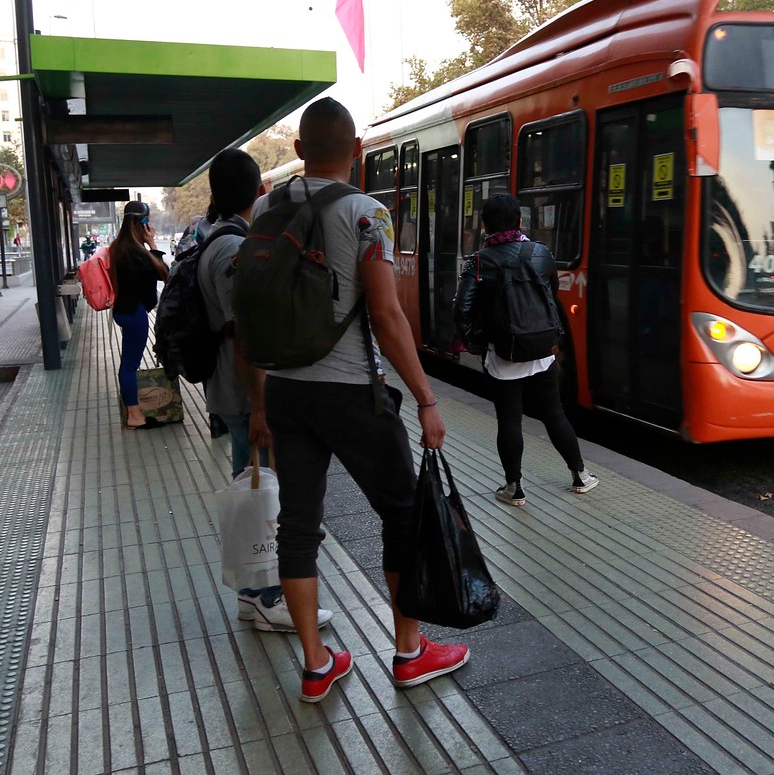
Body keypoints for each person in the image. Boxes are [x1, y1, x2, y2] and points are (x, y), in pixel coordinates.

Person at [249, 97, 468, 702]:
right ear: (357, 151)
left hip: (287, 390)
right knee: (402, 514)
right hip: (352, 394)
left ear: (297, 152)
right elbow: (386, 314)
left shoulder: (269, 206)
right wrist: (425, 398)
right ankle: (409, 651)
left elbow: (255, 309)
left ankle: (317, 666)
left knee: (298, 526)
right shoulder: (369, 214)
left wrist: (259, 401)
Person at [197, 148, 332, 634]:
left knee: (253, 487)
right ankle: (269, 596)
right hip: (244, 394)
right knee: (266, 494)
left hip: (232, 391)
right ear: (259, 192)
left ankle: (252, 594)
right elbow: (244, 334)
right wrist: (260, 406)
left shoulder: (217, 238)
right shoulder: (233, 249)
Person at [453, 192, 598, 507]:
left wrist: (477, 343)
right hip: (542, 348)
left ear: (484, 224)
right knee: (553, 413)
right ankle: (580, 475)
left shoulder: (480, 261)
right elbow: (551, 293)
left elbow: (462, 309)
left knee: (509, 419)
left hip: (503, 352)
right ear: (519, 221)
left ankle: (514, 488)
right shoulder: (541, 253)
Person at [110, 201, 170, 430]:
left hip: (124, 310)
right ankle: (134, 415)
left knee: (127, 364)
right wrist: (152, 242)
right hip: (134, 313)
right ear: (141, 223)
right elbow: (163, 273)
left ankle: (133, 411)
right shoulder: (135, 251)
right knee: (129, 365)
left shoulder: (119, 247)